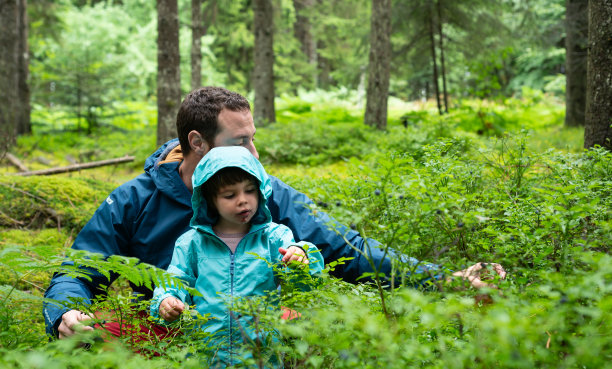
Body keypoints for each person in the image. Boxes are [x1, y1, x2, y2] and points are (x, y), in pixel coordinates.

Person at [43, 86, 506, 339]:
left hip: (253, 324)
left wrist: (443, 279)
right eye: (239, 141)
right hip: (169, 324)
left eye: (253, 137)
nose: (254, 152)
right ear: (196, 145)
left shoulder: (264, 192)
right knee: (92, 337)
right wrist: (66, 312)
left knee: (322, 334)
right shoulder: (135, 200)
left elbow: (349, 249)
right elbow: (81, 267)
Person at [151, 145, 324, 367]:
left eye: (250, 190)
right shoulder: (192, 242)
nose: (243, 200)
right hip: (208, 356)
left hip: (262, 357)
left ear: (261, 189)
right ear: (210, 199)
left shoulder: (274, 237)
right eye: (230, 195)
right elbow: (175, 280)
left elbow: (306, 286)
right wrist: (166, 300)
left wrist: (301, 257)